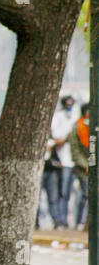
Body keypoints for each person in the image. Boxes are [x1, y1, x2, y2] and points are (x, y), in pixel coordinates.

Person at [51, 95, 78, 229]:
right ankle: (59, 220)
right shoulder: (58, 117)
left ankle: (66, 220)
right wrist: (68, 138)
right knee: (61, 193)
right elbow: (57, 139)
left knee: (69, 194)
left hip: (73, 161)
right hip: (62, 161)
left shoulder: (75, 117)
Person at [68, 103, 89, 231]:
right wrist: (86, 165)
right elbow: (75, 151)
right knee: (85, 195)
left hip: (93, 166)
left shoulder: (94, 127)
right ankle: (80, 221)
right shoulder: (77, 128)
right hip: (83, 168)